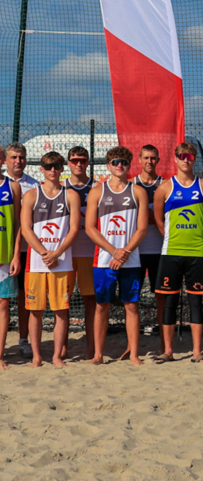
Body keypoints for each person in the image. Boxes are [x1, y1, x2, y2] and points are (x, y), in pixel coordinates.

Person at [154, 142, 203, 363]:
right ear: (175, 158)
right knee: (169, 302)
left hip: (197, 252)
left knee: (196, 302)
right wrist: (171, 237)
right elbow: (158, 220)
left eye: (190, 156)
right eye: (182, 156)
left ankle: (197, 351)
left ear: (194, 159)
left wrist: (197, 236)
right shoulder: (164, 188)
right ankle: (168, 351)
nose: (186, 160)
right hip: (171, 252)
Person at [86, 146, 148, 365]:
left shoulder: (137, 191)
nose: (119, 165)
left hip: (131, 260)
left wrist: (123, 254)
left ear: (130, 165)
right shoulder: (97, 191)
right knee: (102, 306)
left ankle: (134, 354)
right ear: (108, 166)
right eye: (115, 162)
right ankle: (98, 355)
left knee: (131, 306)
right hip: (104, 260)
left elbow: (142, 229)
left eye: (124, 162)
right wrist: (114, 251)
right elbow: (90, 228)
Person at [22, 151, 81, 368]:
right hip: (36, 263)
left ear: (62, 168)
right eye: (48, 166)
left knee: (61, 311)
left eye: (56, 166)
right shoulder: (31, 195)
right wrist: (45, 254)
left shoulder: (70, 195)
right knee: (35, 311)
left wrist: (56, 253)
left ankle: (57, 356)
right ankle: (37, 356)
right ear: (42, 169)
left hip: (62, 262)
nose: (53, 170)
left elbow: (74, 229)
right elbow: (26, 229)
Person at [6, 142, 39, 360]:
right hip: (3, 250)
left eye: (22, 157)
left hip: (27, 251)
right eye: (14, 157)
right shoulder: (2, 182)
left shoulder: (34, 185)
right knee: (3, 300)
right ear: (5, 160)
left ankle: (23, 340)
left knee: (23, 297)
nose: (18, 161)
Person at [65, 146, 97, 359]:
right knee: (62, 303)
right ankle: (62, 348)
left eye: (83, 160)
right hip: (65, 253)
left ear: (88, 163)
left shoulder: (96, 187)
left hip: (89, 252)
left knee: (90, 301)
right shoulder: (61, 188)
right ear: (68, 163)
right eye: (75, 160)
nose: (78, 164)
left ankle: (91, 348)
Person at [134, 144, 165, 331]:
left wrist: (144, 214)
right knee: (132, 298)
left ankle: (163, 333)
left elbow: (164, 219)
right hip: (135, 251)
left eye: (153, 158)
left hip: (159, 250)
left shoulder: (166, 185)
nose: (149, 161)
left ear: (158, 160)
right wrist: (153, 216)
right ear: (139, 160)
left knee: (161, 295)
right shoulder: (131, 185)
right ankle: (134, 334)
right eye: (146, 158)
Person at [0, 147, 21, 369]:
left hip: (4, 257)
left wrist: (16, 255)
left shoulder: (12, 186)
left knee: (3, 305)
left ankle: (0, 355)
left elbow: (17, 225)